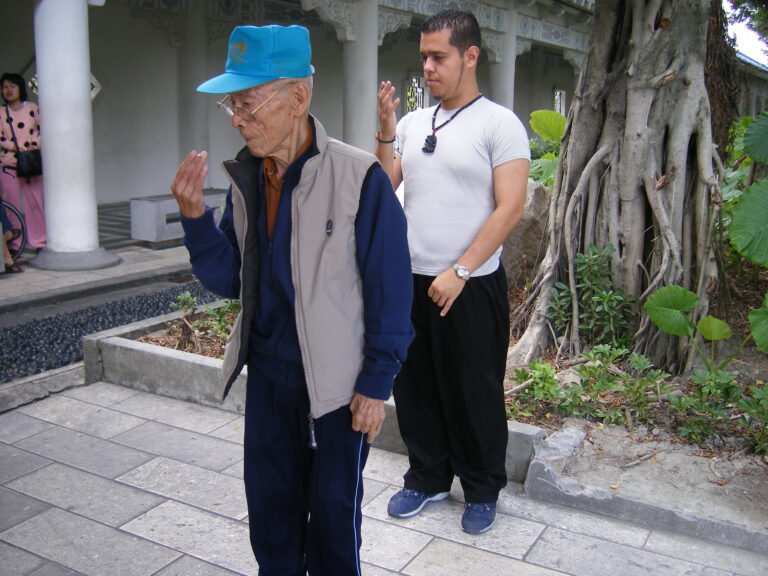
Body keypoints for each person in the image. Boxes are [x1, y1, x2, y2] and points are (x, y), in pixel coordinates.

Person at [170, 24, 414, 575]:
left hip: (337, 389)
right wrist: (195, 224)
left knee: (332, 522)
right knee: (271, 516)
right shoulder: (249, 178)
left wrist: (375, 386)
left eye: (249, 104)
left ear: (297, 97)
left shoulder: (359, 178)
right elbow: (235, 278)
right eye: (232, 106)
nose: (237, 118)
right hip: (271, 380)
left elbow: (391, 292)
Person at [375, 9, 531, 535]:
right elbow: (382, 185)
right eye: (423, 57)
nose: (428, 67)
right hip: (411, 279)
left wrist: (461, 270)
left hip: (471, 284)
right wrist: (385, 133)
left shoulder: (499, 124)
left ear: (470, 55)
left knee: (474, 388)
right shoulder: (417, 123)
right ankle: (428, 478)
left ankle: (483, 488)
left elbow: (510, 208)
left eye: (438, 56)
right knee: (415, 385)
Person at [0, 73, 46, 251]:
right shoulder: (1, 112)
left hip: (31, 163)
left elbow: (43, 130)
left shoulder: (33, 108)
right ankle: (14, 242)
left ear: (20, 88)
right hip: (9, 164)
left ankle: (39, 241)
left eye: (12, 86)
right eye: (5, 87)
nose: (8, 90)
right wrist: (18, 147)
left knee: (35, 203)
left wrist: (32, 145)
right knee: (11, 205)